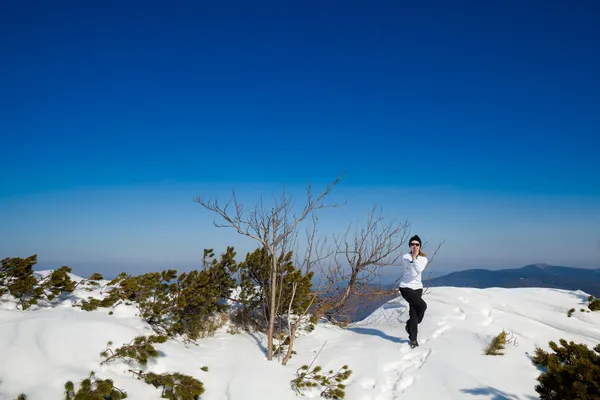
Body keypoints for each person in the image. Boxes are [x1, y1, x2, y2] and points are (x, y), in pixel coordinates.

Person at [398, 234, 428, 348]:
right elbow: (413, 273)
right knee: (423, 306)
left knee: (414, 314)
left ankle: (411, 333)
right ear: (409, 246)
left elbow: (418, 270)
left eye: (417, 244)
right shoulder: (406, 257)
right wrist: (414, 258)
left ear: (420, 246)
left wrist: (415, 259)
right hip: (406, 287)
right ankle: (412, 332)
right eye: (412, 244)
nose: (414, 246)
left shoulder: (424, 259)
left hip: (418, 288)